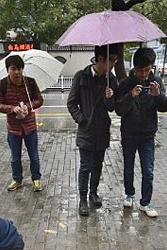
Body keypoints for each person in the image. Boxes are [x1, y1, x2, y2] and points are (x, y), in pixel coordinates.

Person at [115, 47, 167, 218]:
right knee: (128, 168)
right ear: (135, 68)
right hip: (129, 134)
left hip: (148, 135)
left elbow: (165, 107)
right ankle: (130, 194)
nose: (144, 74)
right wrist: (130, 96)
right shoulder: (126, 83)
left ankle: (145, 202)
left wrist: (158, 96)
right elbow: (118, 109)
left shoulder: (156, 82)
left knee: (148, 171)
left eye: (147, 70)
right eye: (140, 71)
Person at [67, 45, 119, 216]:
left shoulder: (110, 79)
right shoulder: (81, 77)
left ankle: (93, 193)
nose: (113, 63)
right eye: (111, 60)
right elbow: (72, 103)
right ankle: (82, 199)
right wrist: (82, 120)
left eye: (115, 60)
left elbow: (112, 108)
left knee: (97, 166)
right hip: (86, 132)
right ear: (100, 59)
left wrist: (109, 98)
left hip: (102, 130)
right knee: (85, 167)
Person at [0, 55, 44, 192]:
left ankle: (36, 179)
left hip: (30, 127)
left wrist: (28, 105)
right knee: (15, 158)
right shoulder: (2, 84)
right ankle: (17, 179)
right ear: (7, 70)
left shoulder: (30, 83)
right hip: (13, 129)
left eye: (20, 69)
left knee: (34, 156)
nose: (17, 72)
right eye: (13, 69)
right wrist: (12, 108)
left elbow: (39, 100)